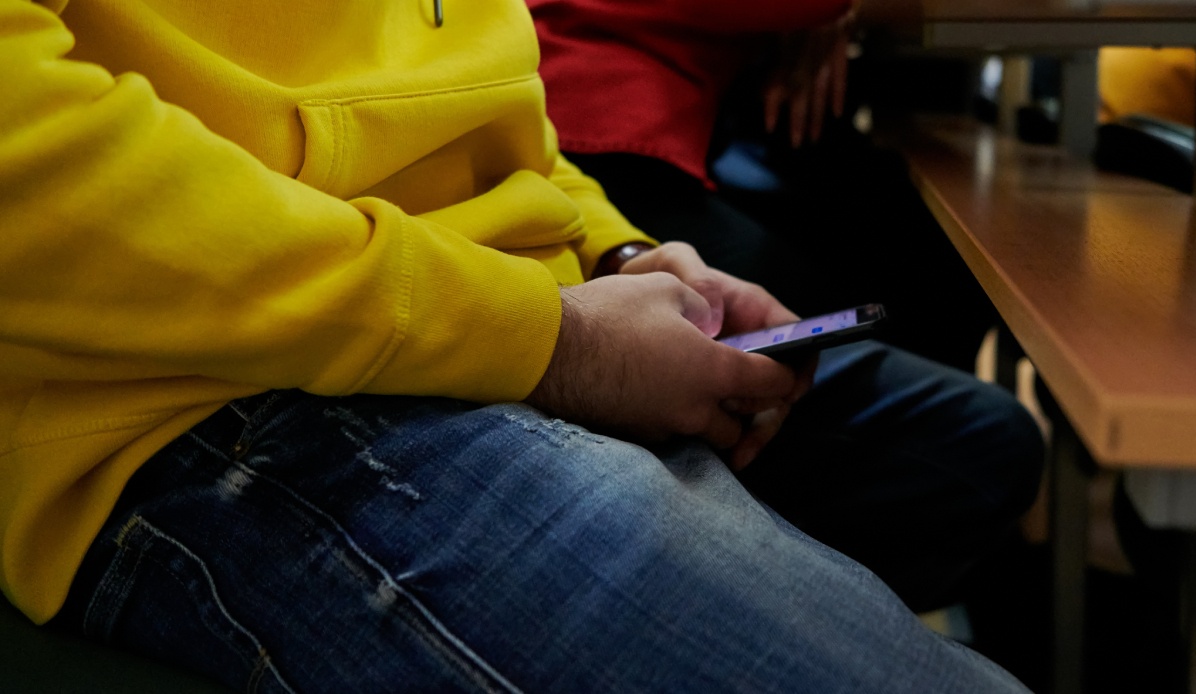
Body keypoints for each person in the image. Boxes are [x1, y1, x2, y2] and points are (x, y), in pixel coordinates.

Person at [2, 0, 1040, 691]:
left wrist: (619, 254)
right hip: (213, 390)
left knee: (973, 448)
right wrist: (554, 343)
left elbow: (503, 119)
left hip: (503, 302)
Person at [528, 0, 1000, 373]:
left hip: (627, 137)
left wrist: (824, 18)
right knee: (810, 301)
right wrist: (833, 13)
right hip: (598, 143)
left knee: (907, 246)